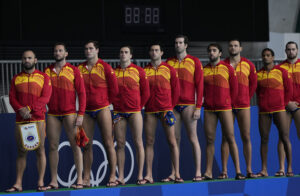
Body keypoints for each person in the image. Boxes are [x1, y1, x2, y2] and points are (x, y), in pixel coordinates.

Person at [6, 50, 52, 192]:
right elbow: (12, 98)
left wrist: (29, 109)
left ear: (35, 60)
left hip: (38, 118)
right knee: (21, 152)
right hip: (21, 120)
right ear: (22, 60)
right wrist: (21, 109)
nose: (27, 60)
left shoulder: (44, 77)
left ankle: (40, 182)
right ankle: (18, 183)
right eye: (24, 58)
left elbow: (46, 98)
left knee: (40, 150)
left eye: (30, 58)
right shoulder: (16, 78)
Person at [44, 43, 86, 189]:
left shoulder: (73, 70)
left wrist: (80, 113)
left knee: (76, 146)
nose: (57, 52)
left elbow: (82, 93)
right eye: (55, 50)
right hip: (53, 114)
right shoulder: (47, 71)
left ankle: (80, 180)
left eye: (60, 50)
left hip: (70, 113)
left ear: (66, 53)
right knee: (53, 146)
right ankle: (54, 181)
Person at [78, 41, 119, 187]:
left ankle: (113, 175)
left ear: (97, 50)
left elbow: (114, 89)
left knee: (108, 142)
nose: (88, 51)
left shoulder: (105, 67)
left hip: (102, 108)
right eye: (86, 48)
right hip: (87, 111)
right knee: (86, 145)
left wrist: (107, 104)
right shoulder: (80, 68)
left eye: (91, 48)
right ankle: (87, 178)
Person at [202, 43, 245, 180]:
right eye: (209, 51)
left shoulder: (228, 68)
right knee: (209, 140)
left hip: (225, 108)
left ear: (220, 53)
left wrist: (229, 103)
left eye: (214, 51)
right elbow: (201, 90)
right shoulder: (204, 70)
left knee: (230, 138)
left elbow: (235, 89)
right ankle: (208, 172)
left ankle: (238, 171)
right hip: (209, 109)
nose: (211, 53)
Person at [165, 35, 203, 182]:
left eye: (180, 43)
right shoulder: (169, 62)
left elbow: (200, 85)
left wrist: (198, 106)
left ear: (186, 45)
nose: (178, 45)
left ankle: (198, 172)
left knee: (193, 138)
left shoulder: (194, 61)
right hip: (173, 106)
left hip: (189, 105)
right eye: (176, 43)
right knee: (174, 140)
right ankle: (174, 173)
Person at [143, 43, 183, 183]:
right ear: (149, 53)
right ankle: (148, 175)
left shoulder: (169, 69)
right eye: (152, 50)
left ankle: (176, 174)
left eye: (156, 50)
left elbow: (176, 91)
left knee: (172, 142)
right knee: (149, 142)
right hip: (150, 111)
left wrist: (170, 107)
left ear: (161, 53)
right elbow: (142, 91)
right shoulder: (144, 71)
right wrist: (144, 104)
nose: (154, 52)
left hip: (166, 110)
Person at [219, 39, 257, 179]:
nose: (233, 48)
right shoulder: (223, 64)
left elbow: (253, 85)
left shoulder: (249, 65)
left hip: (243, 105)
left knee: (246, 136)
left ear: (240, 48)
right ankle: (224, 171)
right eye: (230, 46)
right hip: (227, 106)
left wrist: (246, 98)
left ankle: (248, 170)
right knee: (225, 138)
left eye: (236, 46)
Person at [113, 46, 150, 185]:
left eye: (126, 52)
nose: (123, 54)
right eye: (121, 52)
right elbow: (110, 91)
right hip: (119, 113)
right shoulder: (113, 72)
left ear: (131, 55)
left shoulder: (139, 71)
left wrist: (138, 107)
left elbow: (146, 93)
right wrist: (115, 105)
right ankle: (121, 177)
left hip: (135, 112)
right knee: (120, 144)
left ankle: (140, 175)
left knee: (138, 142)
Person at [256, 48, 293, 177]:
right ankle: (264, 170)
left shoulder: (281, 71)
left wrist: (283, 104)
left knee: (284, 137)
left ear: (273, 57)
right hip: (264, 111)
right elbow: (257, 92)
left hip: (279, 109)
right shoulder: (258, 74)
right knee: (264, 139)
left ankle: (288, 169)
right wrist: (261, 104)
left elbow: (289, 89)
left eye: (268, 55)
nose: (266, 57)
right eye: (264, 55)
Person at [276, 41, 300, 176]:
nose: (291, 52)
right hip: (284, 107)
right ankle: (282, 168)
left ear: (297, 50)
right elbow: (277, 89)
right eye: (289, 50)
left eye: (293, 49)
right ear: (285, 51)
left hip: (299, 106)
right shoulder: (279, 68)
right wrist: (286, 102)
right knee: (282, 137)